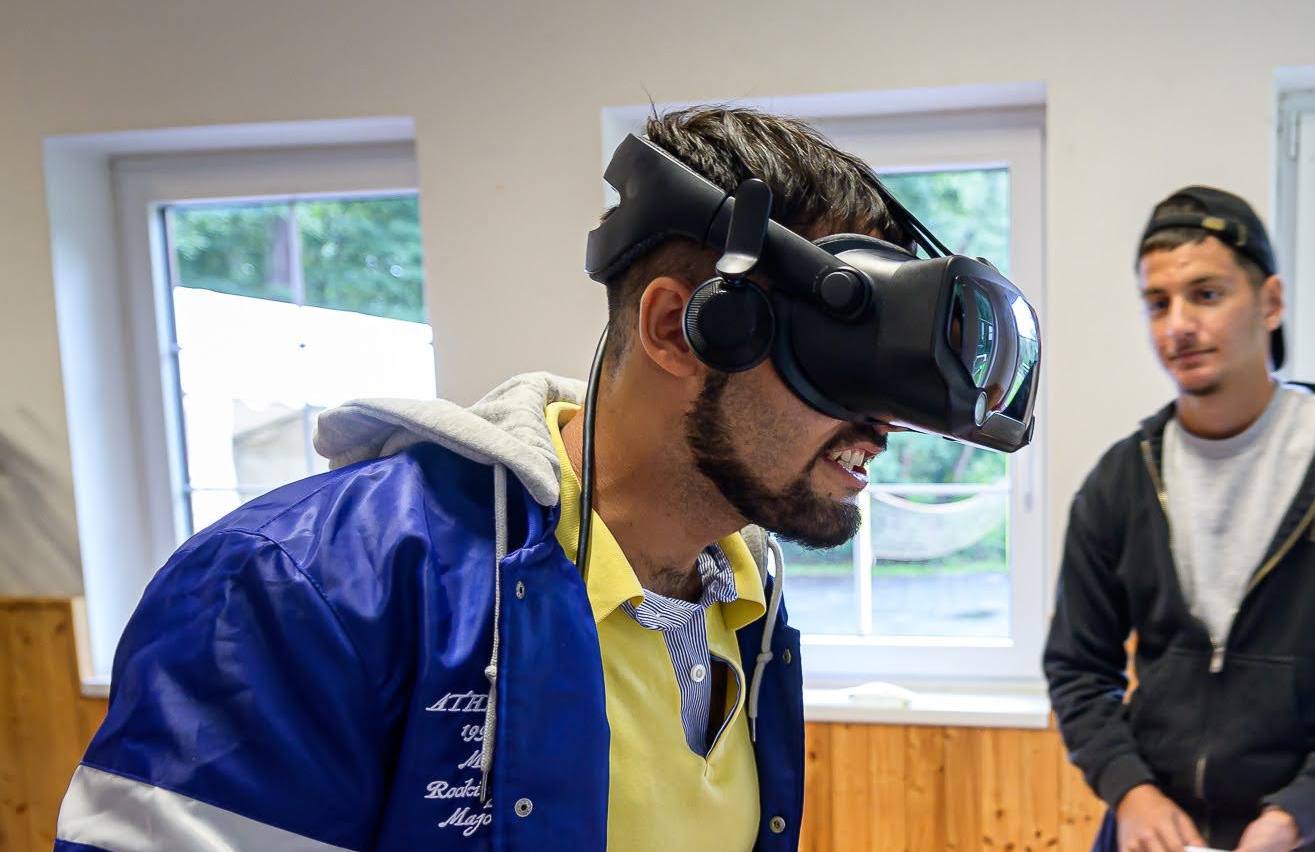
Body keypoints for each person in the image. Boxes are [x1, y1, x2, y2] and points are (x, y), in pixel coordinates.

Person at [57, 106, 1041, 851]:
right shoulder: (298, 591)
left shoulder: (747, 601)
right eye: (845, 365)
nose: (886, 424)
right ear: (676, 329)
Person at [1045, 187, 1315, 852]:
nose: (1177, 324)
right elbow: (1076, 666)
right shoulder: (1120, 480)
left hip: (1306, 834)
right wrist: (1132, 791)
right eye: (1158, 302)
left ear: (1270, 301)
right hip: (1150, 834)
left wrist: (1299, 811)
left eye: (1206, 294)